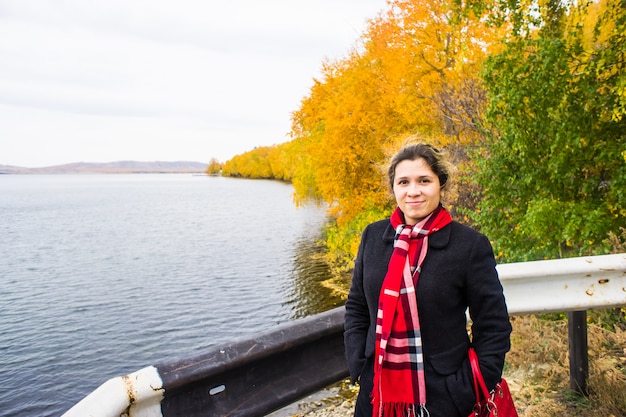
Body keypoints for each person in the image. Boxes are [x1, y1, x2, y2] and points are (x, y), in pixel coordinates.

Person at [344, 142, 512, 417]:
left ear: (441, 185)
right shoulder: (373, 237)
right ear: (393, 188)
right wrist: (360, 366)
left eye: (424, 180)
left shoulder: (468, 246)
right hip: (377, 396)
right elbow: (357, 306)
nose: (413, 191)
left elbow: (493, 326)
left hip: (444, 398)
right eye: (404, 182)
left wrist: (464, 390)